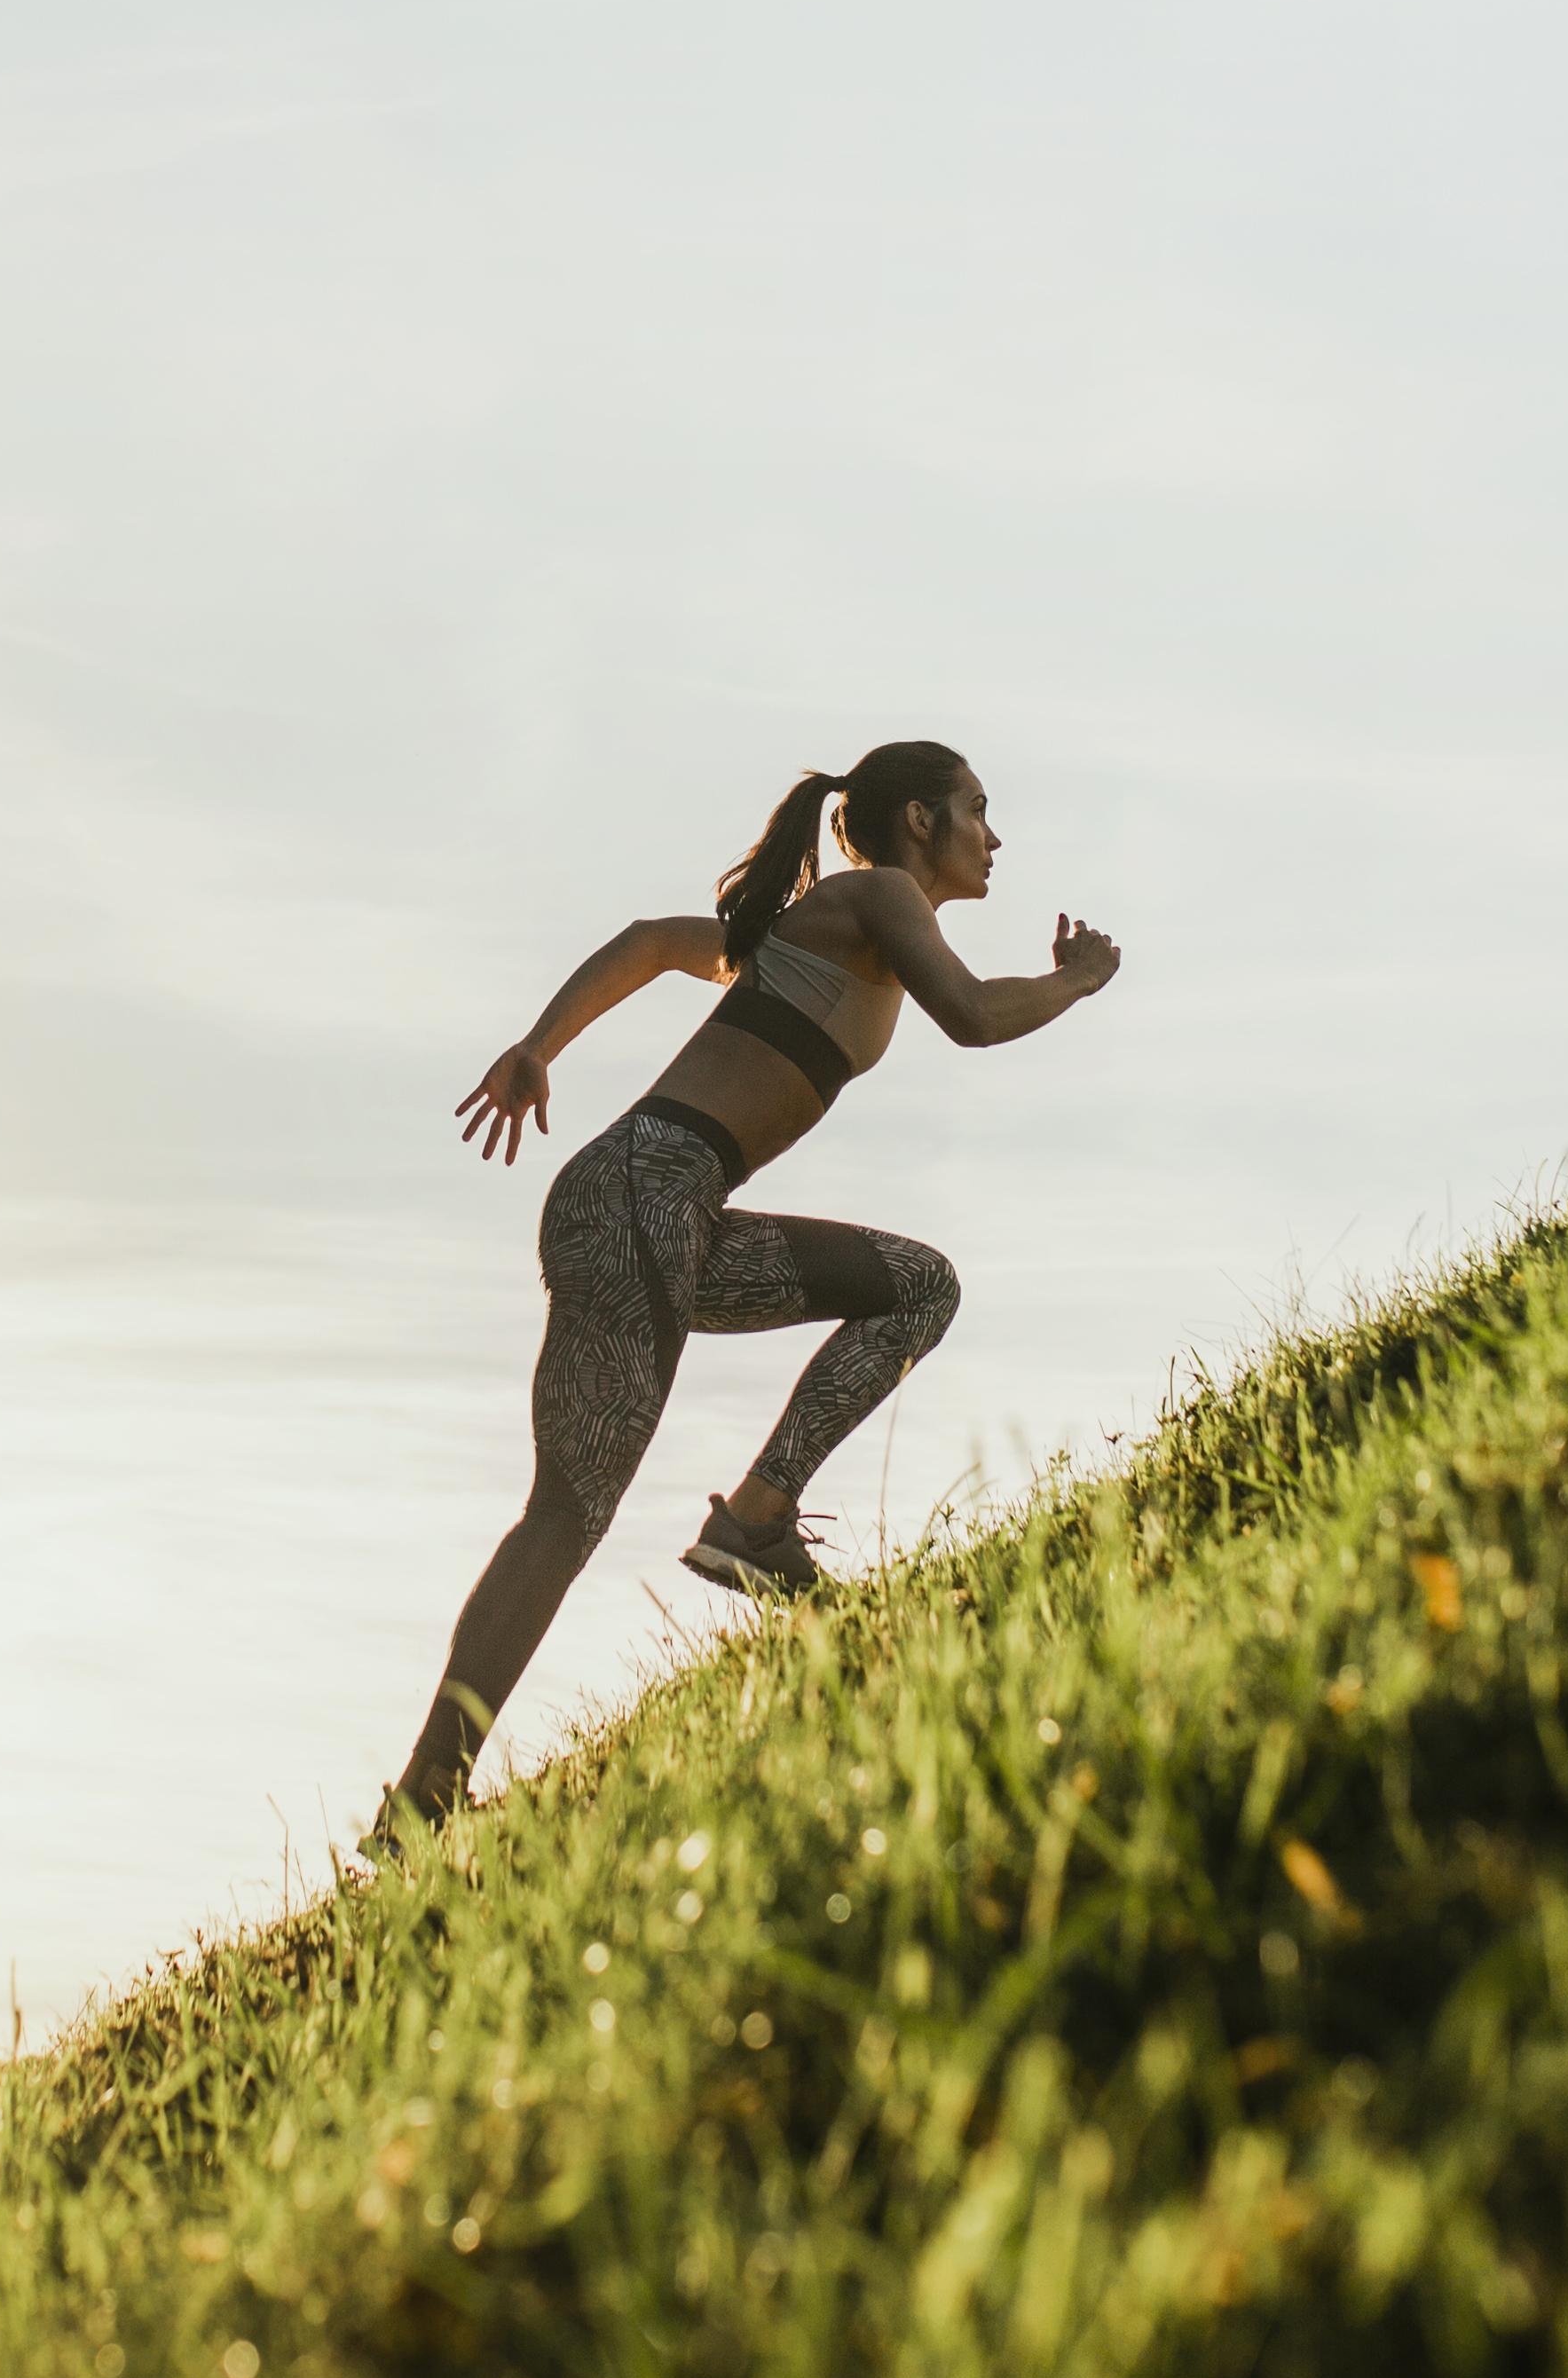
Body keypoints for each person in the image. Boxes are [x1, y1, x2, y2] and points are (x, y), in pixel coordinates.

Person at [378, 739, 1122, 1838]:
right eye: (977, 808)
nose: (993, 835)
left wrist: (542, 1042)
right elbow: (969, 1011)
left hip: (676, 1214)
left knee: (918, 1288)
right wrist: (1077, 980)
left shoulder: (823, 924)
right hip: (640, 1196)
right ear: (918, 819)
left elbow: (650, 942)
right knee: (565, 1517)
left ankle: (757, 1522)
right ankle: (420, 1804)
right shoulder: (875, 897)